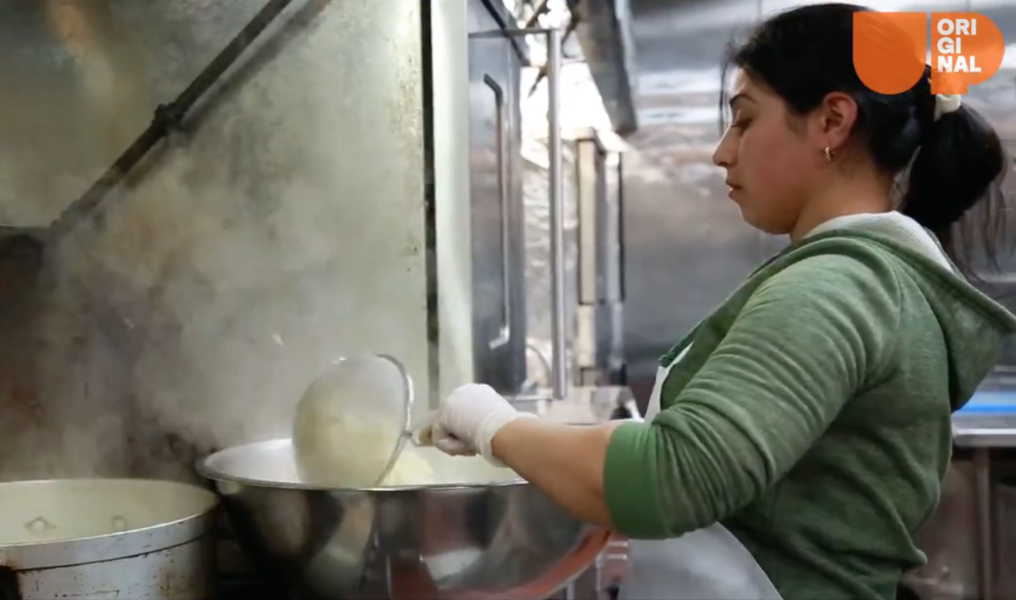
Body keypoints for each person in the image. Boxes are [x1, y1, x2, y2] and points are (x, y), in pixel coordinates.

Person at [416, 3, 1016, 599]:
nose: (722, 152)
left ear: (832, 121)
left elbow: (671, 479)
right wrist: (540, 445)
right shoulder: (876, 280)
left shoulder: (837, 288)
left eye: (745, 120)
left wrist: (493, 425)